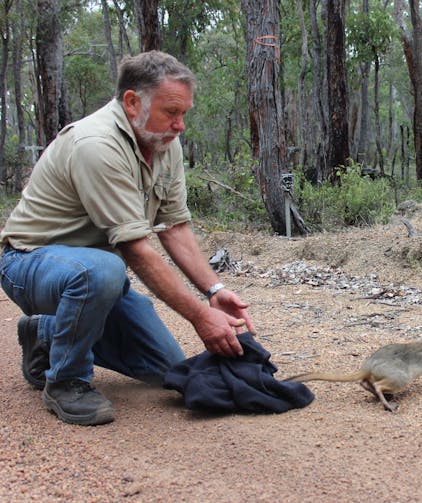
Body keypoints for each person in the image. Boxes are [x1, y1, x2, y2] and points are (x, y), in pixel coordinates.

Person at [0, 50, 254, 426]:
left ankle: (46, 334)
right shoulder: (96, 144)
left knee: (167, 368)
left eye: (184, 113)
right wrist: (200, 317)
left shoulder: (164, 143)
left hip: (96, 279)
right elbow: (135, 250)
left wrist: (213, 291)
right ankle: (66, 381)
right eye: (171, 112)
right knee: (102, 270)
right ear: (133, 102)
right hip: (30, 264)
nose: (180, 124)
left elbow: (174, 226)